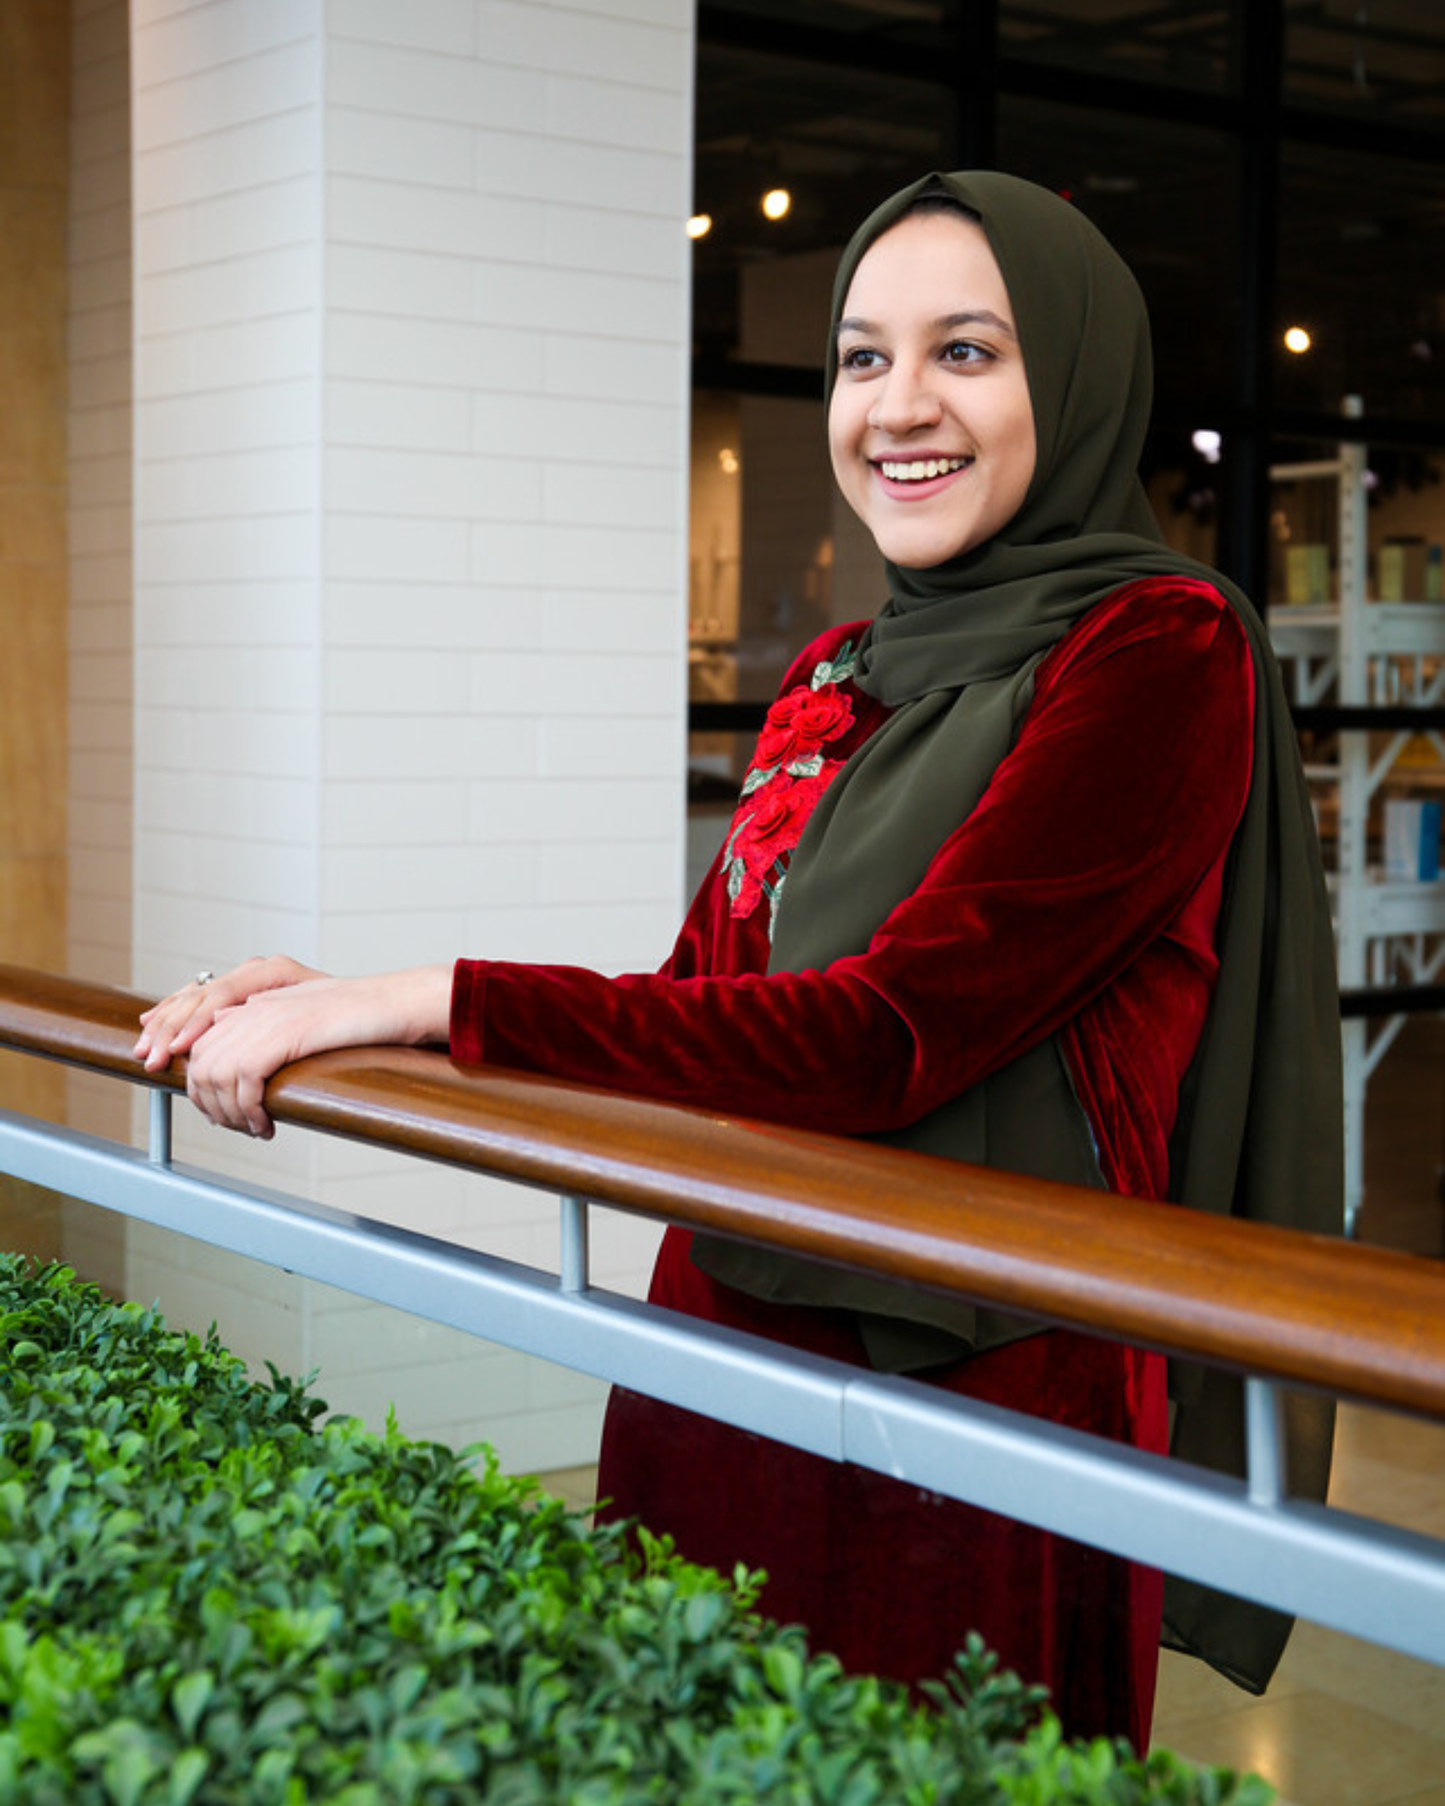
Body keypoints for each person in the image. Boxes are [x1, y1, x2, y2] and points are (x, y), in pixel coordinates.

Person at [134, 170, 1342, 1751]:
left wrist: (423, 994)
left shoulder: (1159, 650)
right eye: (860, 355)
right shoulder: (843, 671)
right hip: (720, 1341)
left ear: (1080, 373)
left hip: (970, 1405)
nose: (897, 405)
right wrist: (340, 1011)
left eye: (966, 351)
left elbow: (886, 1036)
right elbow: (706, 1015)